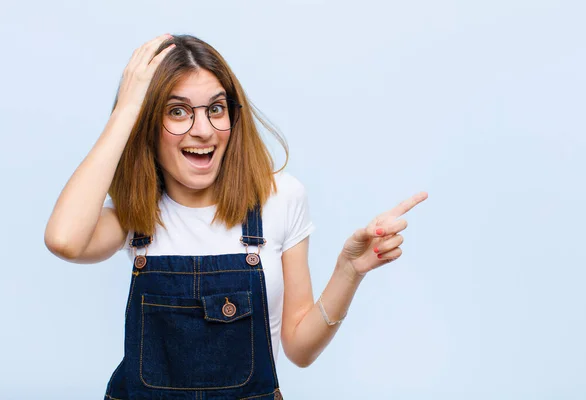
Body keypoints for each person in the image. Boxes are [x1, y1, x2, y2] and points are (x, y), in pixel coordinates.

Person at [44, 33, 428, 400]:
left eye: (216, 109)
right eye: (177, 112)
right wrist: (127, 109)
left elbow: (300, 349)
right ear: (147, 125)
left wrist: (349, 271)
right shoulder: (136, 215)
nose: (203, 130)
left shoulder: (281, 199)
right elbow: (64, 239)